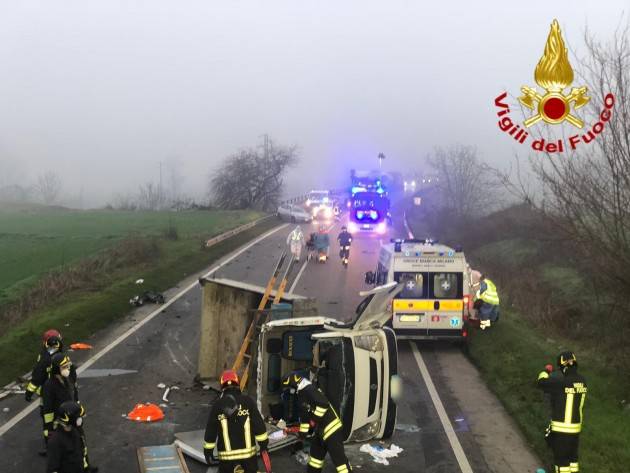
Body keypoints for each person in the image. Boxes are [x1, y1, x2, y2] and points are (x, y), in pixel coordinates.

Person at [281, 371, 351, 473]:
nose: (289, 390)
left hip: (332, 430)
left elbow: (323, 405)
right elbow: (305, 417)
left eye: (288, 387)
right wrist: (301, 436)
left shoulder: (309, 389)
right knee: (315, 460)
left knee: (340, 463)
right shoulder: (301, 394)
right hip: (320, 431)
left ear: (293, 382)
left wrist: (314, 420)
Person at [204, 369, 270, 473]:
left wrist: (208, 451)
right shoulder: (248, 402)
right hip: (248, 458)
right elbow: (259, 426)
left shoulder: (218, 405)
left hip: (227, 460)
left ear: (222, 386)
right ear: (237, 383)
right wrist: (264, 445)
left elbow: (211, 431)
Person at [42, 354, 96, 472]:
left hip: (73, 417)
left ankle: (85, 466)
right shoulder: (49, 386)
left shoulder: (68, 379)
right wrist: (49, 428)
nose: (67, 369)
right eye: (64, 367)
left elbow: (74, 396)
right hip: (62, 421)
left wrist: (78, 412)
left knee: (81, 443)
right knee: (65, 450)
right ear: (57, 369)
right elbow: (48, 410)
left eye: (67, 366)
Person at [537, 351, 587, 473]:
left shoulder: (561, 382)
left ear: (563, 366)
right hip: (575, 430)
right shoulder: (583, 381)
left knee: (561, 462)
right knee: (572, 460)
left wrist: (547, 371)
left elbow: (541, 382)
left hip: (562, 430)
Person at [25, 329, 64, 455]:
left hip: (48, 397)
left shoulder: (44, 357)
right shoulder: (61, 356)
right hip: (61, 395)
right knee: (61, 418)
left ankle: (51, 447)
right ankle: (64, 442)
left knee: (48, 422)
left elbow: (37, 377)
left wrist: (29, 392)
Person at [46, 401, 87, 473]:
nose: (80, 420)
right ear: (69, 419)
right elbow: (52, 468)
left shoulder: (76, 432)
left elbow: (81, 453)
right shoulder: (55, 441)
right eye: (78, 418)